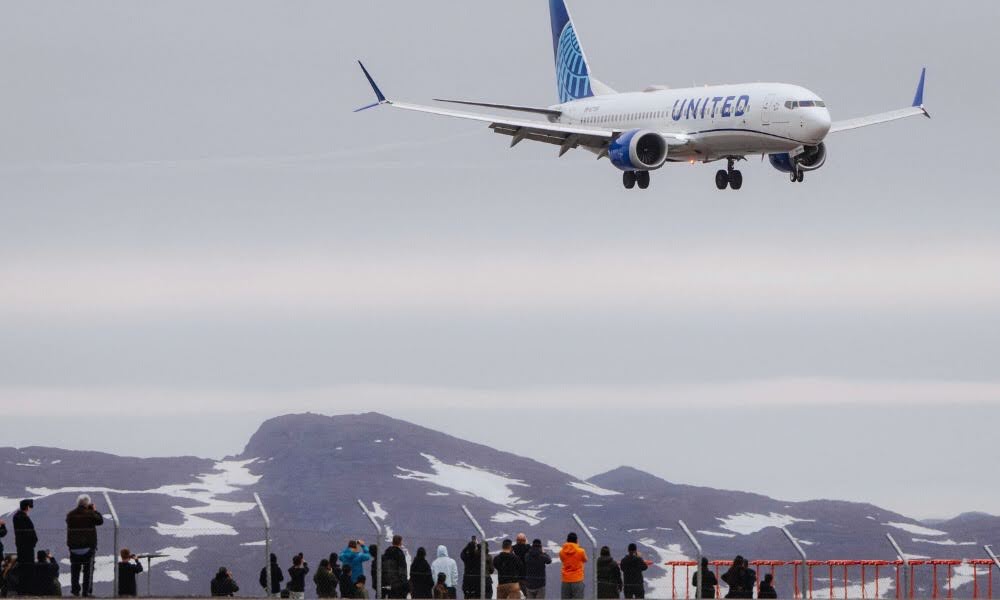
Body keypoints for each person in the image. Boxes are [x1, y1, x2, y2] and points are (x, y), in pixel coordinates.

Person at [66, 494, 104, 597]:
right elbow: (100, 521)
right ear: (88, 504)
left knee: (75, 570)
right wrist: (94, 510)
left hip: (74, 548)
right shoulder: (90, 514)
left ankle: (75, 591)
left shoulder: (70, 515)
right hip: (88, 547)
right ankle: (86, 592)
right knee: (88, 570)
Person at [13, 500, 37, 595]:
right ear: (27, 507)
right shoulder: (24, 518)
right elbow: (29, 532)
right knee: (28, 567)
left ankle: (22, 589)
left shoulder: (16, 517)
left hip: (20, 546)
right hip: (27, 546)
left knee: (22, 566)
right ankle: (27, 589)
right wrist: (34, 541)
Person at [559, 532, 588, 599]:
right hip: (577, 578)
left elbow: (562, 560)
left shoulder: (561, 552)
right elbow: (585, 560)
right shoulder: (581, 551)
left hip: (566, 579)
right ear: (576, 540)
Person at [383, 535, 409, 599]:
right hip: (398, 585)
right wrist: (404, 584)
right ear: (400, 542)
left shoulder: (386, 553)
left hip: (387, 582)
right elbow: (402, 570)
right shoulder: (400, 554)